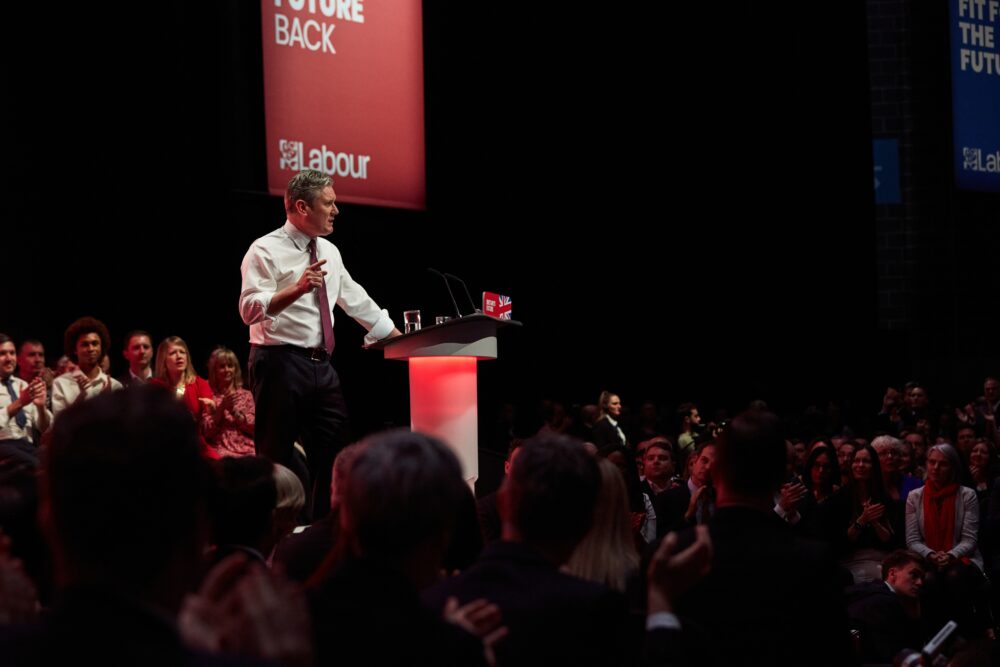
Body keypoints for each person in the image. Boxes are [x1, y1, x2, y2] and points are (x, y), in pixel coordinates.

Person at [239, 169, 400, 518]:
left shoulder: (328, 250)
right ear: (301, 206)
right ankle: (266, 539)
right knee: (274, 459)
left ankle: (324, 535)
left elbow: (353, 296)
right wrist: (294, 289)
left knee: (336, 452)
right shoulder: (264, 249)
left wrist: (392, 333)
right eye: (328, 203)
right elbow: (249, 310)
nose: (336, 210)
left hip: (321, 365)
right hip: (278, 362)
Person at [149, 336, 218, 460]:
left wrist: (212, 411)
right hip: (164, 445)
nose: (179, 356)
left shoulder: (199, 383)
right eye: (173, 353)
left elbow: (209, 423)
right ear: (163, 359)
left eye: (182, 352)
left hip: (194, 444)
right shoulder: (155, 386)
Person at [51, 317, 121, 416]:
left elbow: (119, 425)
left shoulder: (115, 386)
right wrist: (81, 397)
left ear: (102, 347)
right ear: (75, 349)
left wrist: (106, 401)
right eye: (85, 344)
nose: (91, 349)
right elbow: (60, 425)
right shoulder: (61, 383)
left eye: (95, 343)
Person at [0, 334, 50, 467]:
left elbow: (45, 429)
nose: (9, 358)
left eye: (12, 353)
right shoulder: (25, 393)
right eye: (2, 353)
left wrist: (41, 407)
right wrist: (21, 401)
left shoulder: (24, 385)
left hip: (27, 448)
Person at [201, 347, 255, 458]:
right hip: (220, 450)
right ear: (214, 370)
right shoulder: (207, 393)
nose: (227, 370)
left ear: (235, 369)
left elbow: (256, 429)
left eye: (230, 366)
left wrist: (235, 413)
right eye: (222, 366)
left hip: (248, 449)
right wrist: (221, 409)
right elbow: (206, 433)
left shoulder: (247, 395)